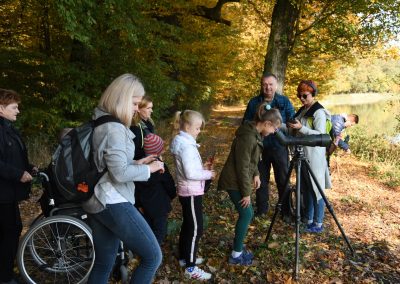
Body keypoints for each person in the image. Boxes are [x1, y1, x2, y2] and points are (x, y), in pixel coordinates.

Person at [82, 74, 164, 284]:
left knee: (103, 263)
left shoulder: (102, 121)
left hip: (97, 199)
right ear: (122, 98)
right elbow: (119, 174)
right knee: (152, 257)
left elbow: (110, 166)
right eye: (135, 103)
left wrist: (138, 164)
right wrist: (150, 169)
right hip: (113, 201)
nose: (137, 108)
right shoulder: (114, 128)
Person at [218, 103, 282, 265]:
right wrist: (246, 193)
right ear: (267, 124)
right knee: (246, 214)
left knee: (247, 213)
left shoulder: (254, 133)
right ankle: (236, 255)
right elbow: (242, 166)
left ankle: (237, 249)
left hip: (239, 178)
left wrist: (257, 174)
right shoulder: (248, 137)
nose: (275, 132)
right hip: (233, 180)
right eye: (275, 128)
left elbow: (252, 160)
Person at [170, 110, 215, 281]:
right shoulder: (186, 146)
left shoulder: (182, 142)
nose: (199, 132)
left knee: (189, 225)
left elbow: (189, 168)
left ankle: (185, 257)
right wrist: (208, 174)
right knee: (196, 228)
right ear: (188, 127)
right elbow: (189, 173)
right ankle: (190, 267)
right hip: (190, 191)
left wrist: (202, 168)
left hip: (188, 189)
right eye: (197, 128)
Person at [243, 73, 295, 221]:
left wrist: (281, 127)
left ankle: (286, 212)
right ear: (261, 85)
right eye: (265, 84)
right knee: (260, 180)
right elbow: (245, 123)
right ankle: (261, 210)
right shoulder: (254, 103)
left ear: (276, 85)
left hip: (280, 147)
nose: (268, 87)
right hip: (260, 148)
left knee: (283, 180)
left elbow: (292, 122)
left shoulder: (284, 101)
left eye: (271, 84)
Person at [0, 88, 36, 284]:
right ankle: (4, 277)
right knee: (11, 230)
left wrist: (30, 168)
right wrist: (18, 174)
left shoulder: (9, 128)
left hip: (8, 193)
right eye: (14, 107)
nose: (18, 111)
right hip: (3, 194)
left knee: (10, 230)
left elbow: (14, 158)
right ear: (1, 108)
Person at [287, 80, 332, 233]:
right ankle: (309, 219)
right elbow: (296, 129)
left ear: (313, 94)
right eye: (299, 95)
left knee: (317, 190)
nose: (302, 98)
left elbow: (321, 136)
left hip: (315, 158)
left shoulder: (319, 112)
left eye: (305, 95)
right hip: (302, 156)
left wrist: (302, 128)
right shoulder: (302, 110)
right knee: (306, 189)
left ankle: (318, 223)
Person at [135, 133, 176, 245]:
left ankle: (148, 247)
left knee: (149, 229)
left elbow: (136, 187)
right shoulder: (160, 166)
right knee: (160, 230)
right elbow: (169, 184)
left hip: (145, 205)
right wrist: (172, 195)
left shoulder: (139, 167)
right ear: (159, 150)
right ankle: (155, 253)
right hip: (160, 205)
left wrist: (138, 204)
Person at [130, 95, 155, 160]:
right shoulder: (135, 128)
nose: (151, 111)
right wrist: (153, 150)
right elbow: (133, 153)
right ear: (138, 109)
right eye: (148, 108)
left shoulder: (149, 123)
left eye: (151, 108)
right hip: (142, 165)